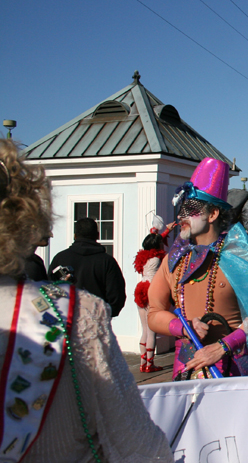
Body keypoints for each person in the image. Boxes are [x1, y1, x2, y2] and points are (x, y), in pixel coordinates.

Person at [0, 138, 172, 461]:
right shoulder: (80, 312)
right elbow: (144, 450)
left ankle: (147, 360)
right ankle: (147, 360)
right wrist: (103, 319)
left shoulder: (60, 260)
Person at [148, 157, 248, 380]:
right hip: (185, 371)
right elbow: (154, 313)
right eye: (182, 208)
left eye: (191, 208)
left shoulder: (236, 255)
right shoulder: (174, 260)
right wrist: (183, 328)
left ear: (212, 214)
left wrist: (223, 346)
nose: (181, 216)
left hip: (230, 373)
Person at [48, 217, 126, 317]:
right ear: (97, 235)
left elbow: (49, 289)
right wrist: (105, 315)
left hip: (66, 318)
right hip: (96, 318)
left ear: (75, 236)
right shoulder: (107, 261)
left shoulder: (60, 259)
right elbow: (116, 296)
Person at [133, 216, 173, 373]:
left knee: (144, 329)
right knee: (152, 330)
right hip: (152, 289)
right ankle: (150, 364)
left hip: (141, 287)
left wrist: (164, 231)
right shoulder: (159, 258)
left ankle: (143, 362)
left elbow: (156, 240)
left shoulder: (144, 257)